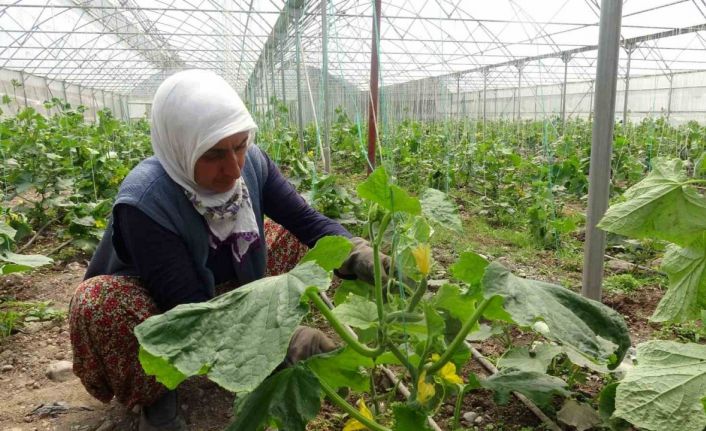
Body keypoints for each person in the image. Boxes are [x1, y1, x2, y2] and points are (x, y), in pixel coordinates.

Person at [68, 70, 381, 431]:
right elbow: (187, 305)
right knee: (97, 303)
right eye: (215, 154)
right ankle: (155, 395)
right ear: (180, 145)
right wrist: (282, 341)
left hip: (229, 282)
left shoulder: (255, 164)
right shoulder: (145, 200)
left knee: (292, 235)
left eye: (239, 145)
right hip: (159, 306)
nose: (233, 168)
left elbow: (305, 220)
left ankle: (258, 343)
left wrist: (356, 252)